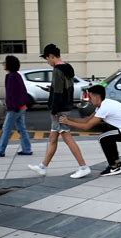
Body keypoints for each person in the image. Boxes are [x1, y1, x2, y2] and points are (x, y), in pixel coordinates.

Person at [27, 44, 90, 178]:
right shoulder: (67, 68)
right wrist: (51, 89)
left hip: (59, 109)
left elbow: (58, 92)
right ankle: (43, 166)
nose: (47, 62)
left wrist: (54, 109)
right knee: (53, 138)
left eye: (47, 59)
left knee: (67, 137)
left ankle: (83, 166)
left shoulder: (57, 70)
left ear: (51, 56)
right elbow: (65, 89)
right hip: (65, 106)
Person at [59, 84, 121, 176]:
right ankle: (117, 163)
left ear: (97, 96)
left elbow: (87, 126)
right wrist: (68, 118)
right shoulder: (102, 105)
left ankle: (113, 167)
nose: (89, 99)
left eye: (90, 96)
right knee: (107, 135)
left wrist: (68, 122)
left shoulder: (105, 107)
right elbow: (86, 120)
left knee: (103, 138)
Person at [0, 55, 32, 157]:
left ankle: (0, 150)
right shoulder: (16, 75)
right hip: (20, 106)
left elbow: (12, 94)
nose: (3, 64)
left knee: (6, 128)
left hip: (15, 108)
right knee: (21, 128)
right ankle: (27, 149)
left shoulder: (12, 77)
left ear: (9, 64)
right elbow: (21, 92)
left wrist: (12, 107)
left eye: (5, 62)